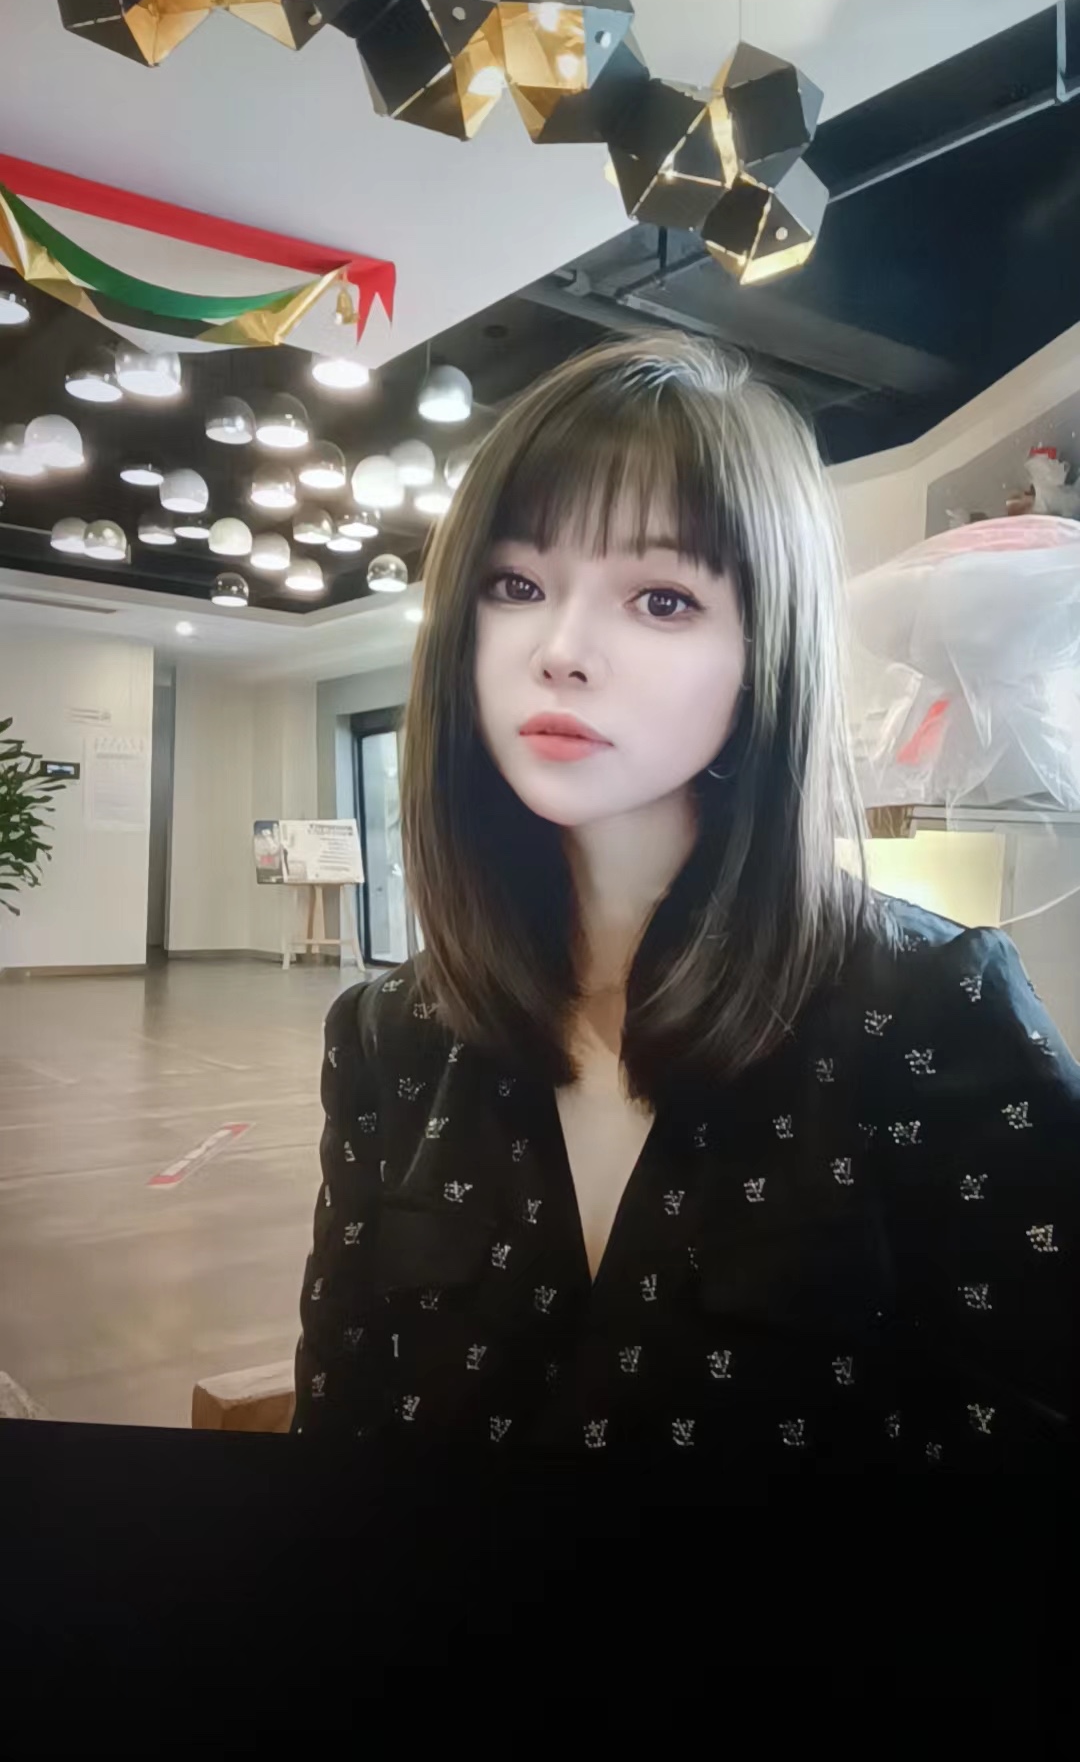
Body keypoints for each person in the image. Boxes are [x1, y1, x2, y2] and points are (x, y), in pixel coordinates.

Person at [292, 334, 1079, 1471]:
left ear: (765, 653)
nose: (562, 651)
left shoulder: (933, 1017)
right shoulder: (388, 1035)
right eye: (516, 586)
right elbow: (334, 1431)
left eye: (661, 599)